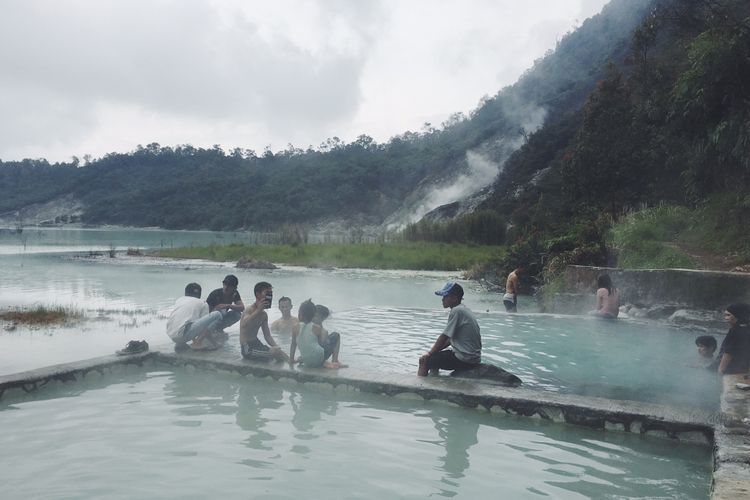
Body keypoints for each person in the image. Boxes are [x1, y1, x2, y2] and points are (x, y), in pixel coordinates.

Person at [418, 282, 481, 376]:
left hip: (464, 358)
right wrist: (434, 351)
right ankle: (434, 380)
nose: (442, 300)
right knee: (435, 356)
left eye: (445, 296)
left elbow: (444, 336)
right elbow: (450, 340)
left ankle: (421, 386)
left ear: (454, 298)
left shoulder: (457, 311)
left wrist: (429, 353)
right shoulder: (463, 309)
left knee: (425, 361)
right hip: (473, 358)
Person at [240, 281, 289, 362]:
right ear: (258, 294)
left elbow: (267, 336)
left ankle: (292, 361)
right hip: (247, 348)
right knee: (276, 353)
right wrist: (257, 311)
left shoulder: (263, 315)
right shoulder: (249, 310)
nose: (270, 296)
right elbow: (243, 324)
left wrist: (278, 348)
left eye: (271, 293)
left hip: (257, 344)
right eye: (267, 293)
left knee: (279, 355)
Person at [166, 283, 224, 350]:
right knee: (217, 314)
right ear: (199, 294)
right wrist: (214, 343)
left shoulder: (179, 300)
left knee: (185, 320)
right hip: (183, 336)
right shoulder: (202, 302)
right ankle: (198, 343)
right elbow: (204, 327)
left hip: (171, 336)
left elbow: (190, 322)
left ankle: (181, 343)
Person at [290, 300, 343, 369]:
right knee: (336, 335)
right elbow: (320, 346)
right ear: (312, 315)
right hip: (318, 361)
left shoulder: (295, 327)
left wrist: (291, 359)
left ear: (301, 314)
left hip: (306, 360)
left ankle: (304, 358)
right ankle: (334, 360)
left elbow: (293, 344)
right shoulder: (317, 328)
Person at [717, 303, 750, 375]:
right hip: (742, 368)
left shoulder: (734, 331)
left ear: (739, 315)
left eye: (728, 315)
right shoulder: (747, 329)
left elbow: (729, 352)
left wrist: (720, 370)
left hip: (730, 370)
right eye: (725, 315)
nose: (725, 318)